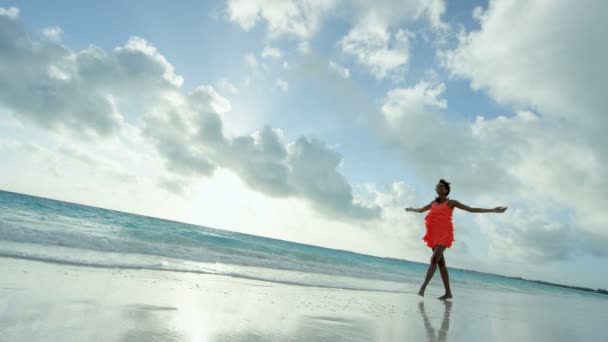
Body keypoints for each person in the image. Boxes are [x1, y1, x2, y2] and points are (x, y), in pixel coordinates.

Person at [405, 179, 507, 300]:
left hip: (445, 234)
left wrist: (492, 210)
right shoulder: (433, 203)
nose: (439, 188)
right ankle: (448, 292)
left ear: (447, 190)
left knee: (433, 260)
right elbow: (422, 210)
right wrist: (411, 209)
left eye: (442, 187)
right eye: (437, 187)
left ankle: (422, 288)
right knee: (441, 264)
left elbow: (470, 209)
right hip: (433, 234)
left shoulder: (451, 203)